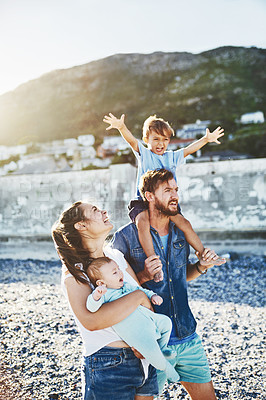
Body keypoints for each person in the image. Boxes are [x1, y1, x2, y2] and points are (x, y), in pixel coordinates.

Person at [111, 168, 226, 400]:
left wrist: (202, 266)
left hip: (188, 335)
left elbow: (181, 276)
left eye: (175, 189)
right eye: (167, 191)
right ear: (149, 196)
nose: (175, 195)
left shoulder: (180, 232)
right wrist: (143, 275)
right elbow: (115, 291)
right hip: (151, 343)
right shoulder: (125, 237)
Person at [51, 201, 158, 400]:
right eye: (95, 210)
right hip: (108, 364)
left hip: (143, 357)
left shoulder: (115, 255)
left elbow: (141, 298)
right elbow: (92, 321)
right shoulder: (74, 271)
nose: (104, 212)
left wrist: (146, 339)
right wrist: (138, 297)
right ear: (81, 225)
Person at [103, 113, 224, 282]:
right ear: (147, 139)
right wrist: (121, 127)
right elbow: (131, 141)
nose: (161, 144)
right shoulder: (145, 154)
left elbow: (190, 149)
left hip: (166, 202)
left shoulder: (172, 157)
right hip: (143, 200)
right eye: (156, 139)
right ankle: (154, 263)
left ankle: (204, 254)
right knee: (143, 224)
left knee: (184, 224)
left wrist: (206, 139)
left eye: (165, 139)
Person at [85, 256, 179, 383]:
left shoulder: (126, 286)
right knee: (150, 350)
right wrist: (96, 295)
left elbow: (141, 290)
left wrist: (153, 295)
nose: (120, 272)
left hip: (148, 318)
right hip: (134, 330)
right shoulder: (104, 293)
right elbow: (91, 308)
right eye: (114, 272)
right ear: (101, 283)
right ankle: (167, 369)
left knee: (166, 322)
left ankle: (162, 348)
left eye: (118, 269)